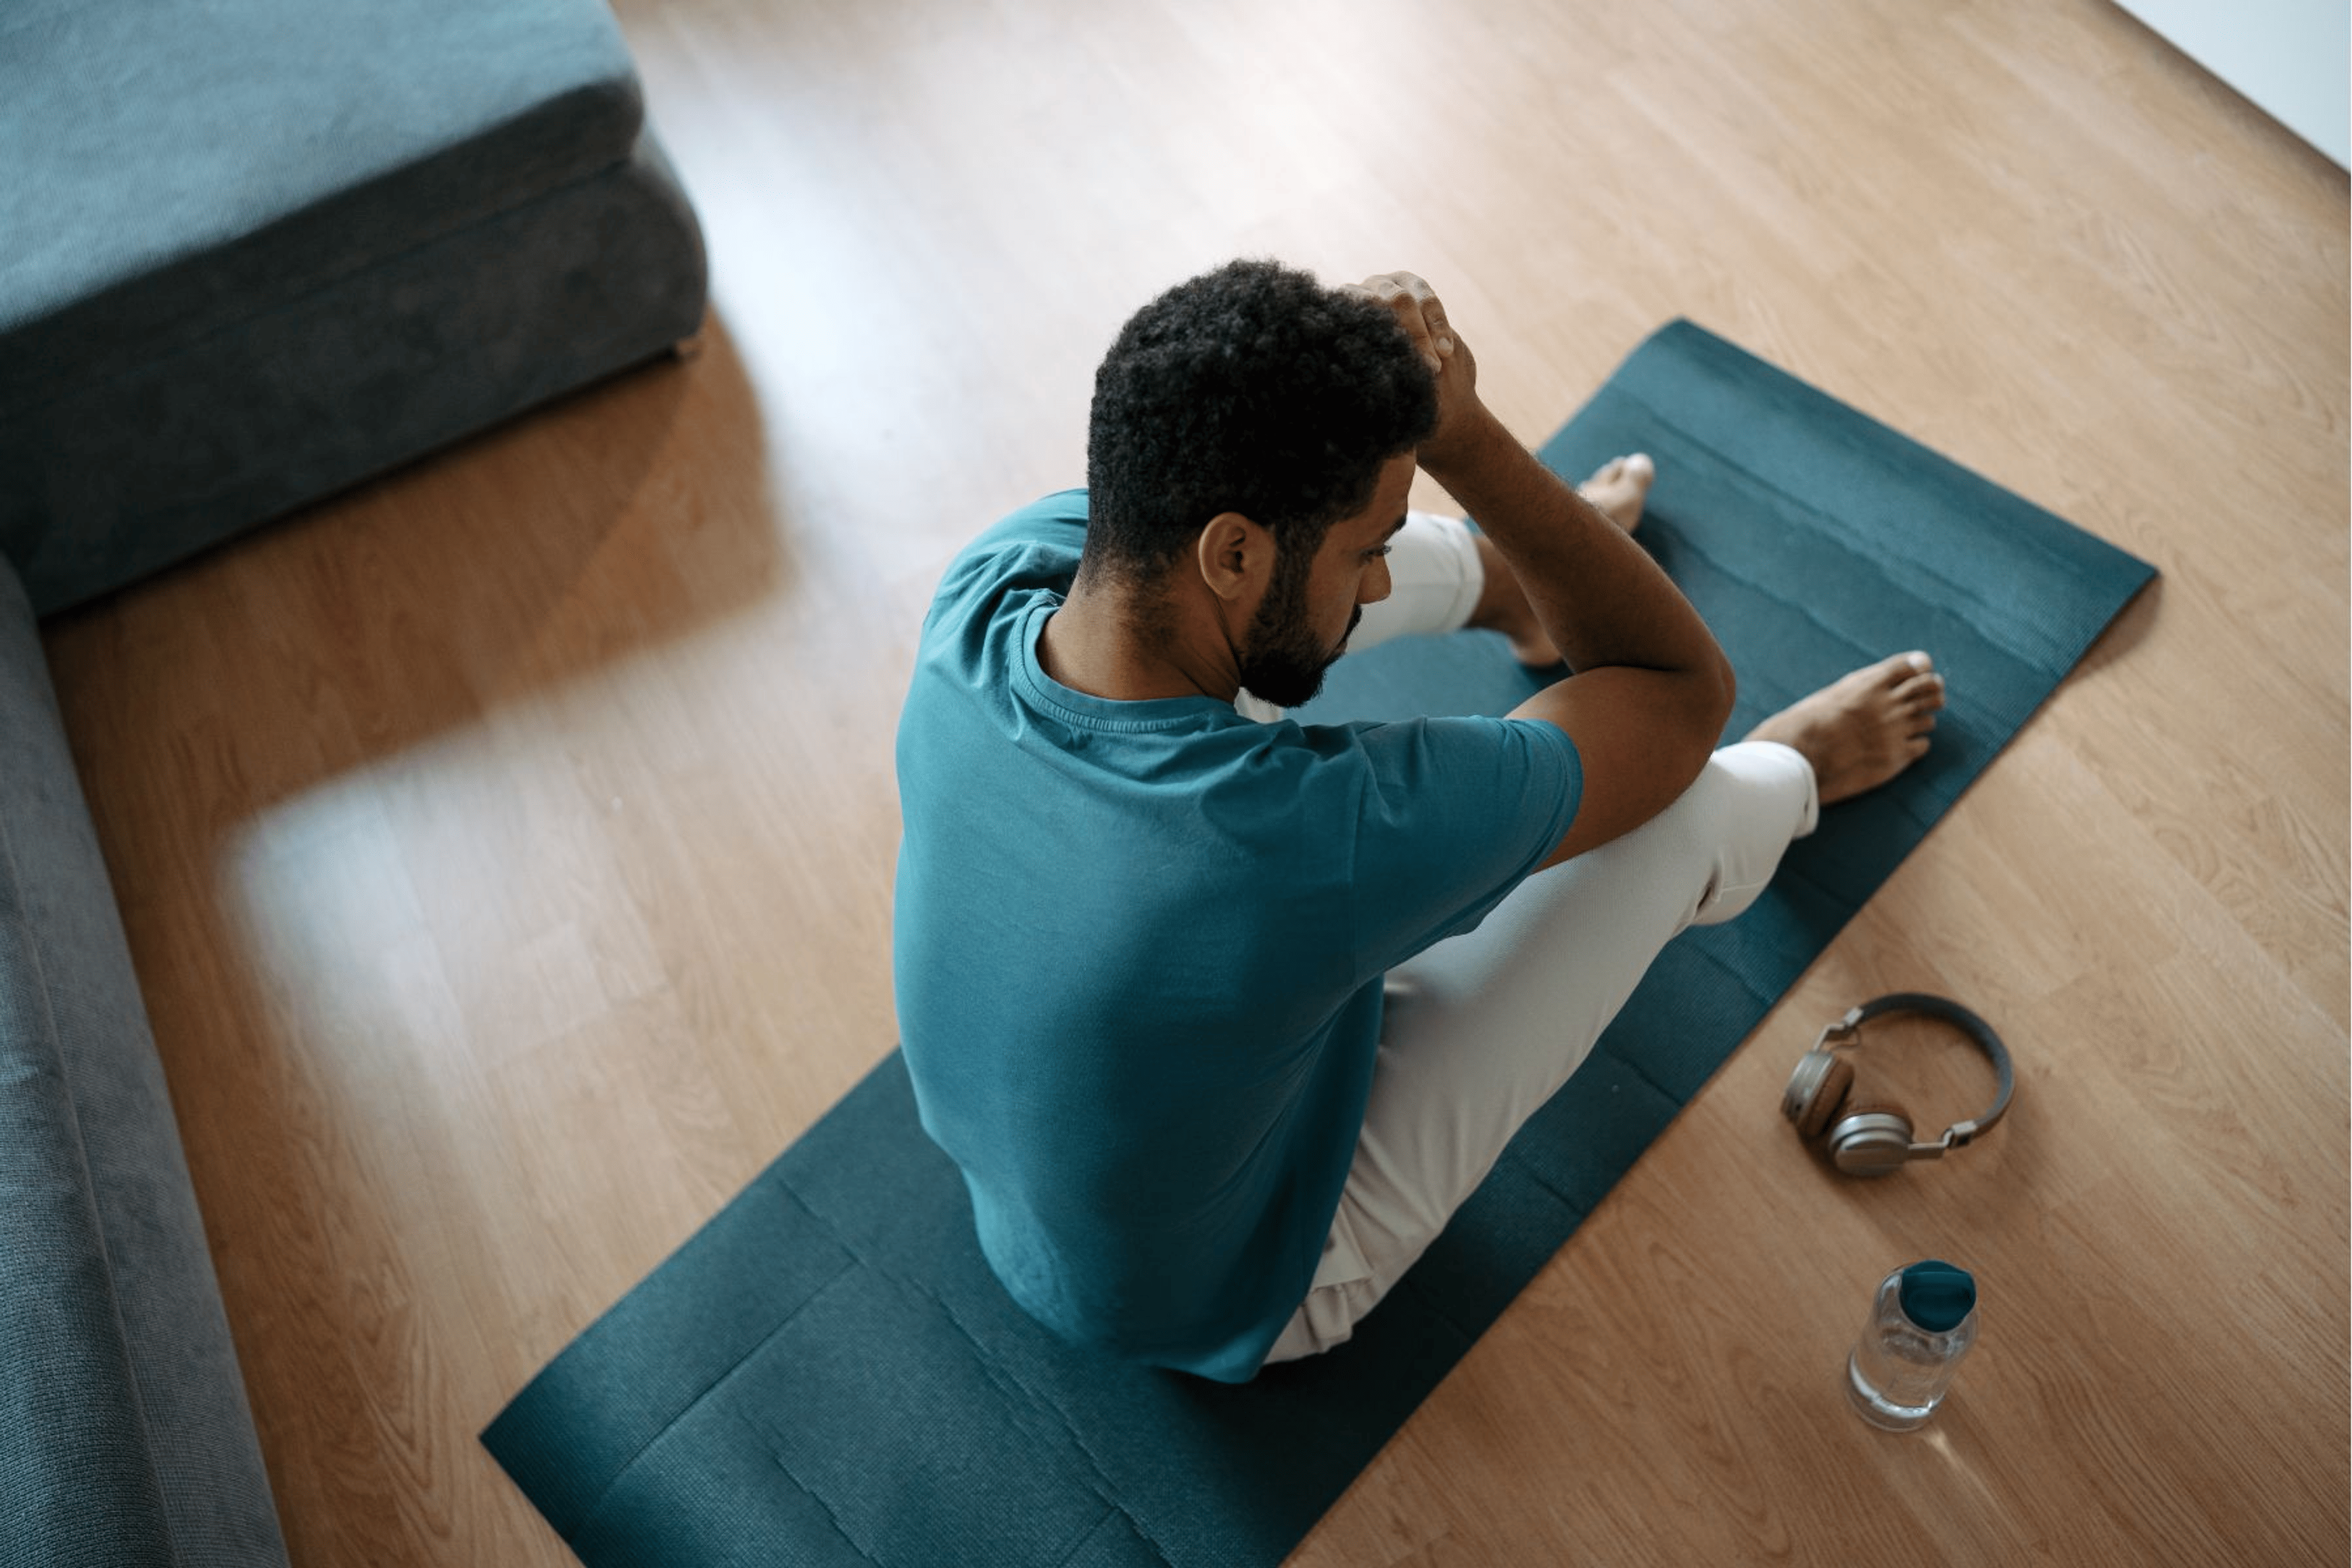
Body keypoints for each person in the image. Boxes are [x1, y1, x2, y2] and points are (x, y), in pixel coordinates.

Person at [892, 260, 1945, 1382]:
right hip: (1246, 1284)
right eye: (1372, 554)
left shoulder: (993, 585)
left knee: (1304, 595)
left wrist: (1371, 470)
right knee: (1675, 803)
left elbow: (1270, 501)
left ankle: (1514, 596)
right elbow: (1677, 690)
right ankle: (1796, 776)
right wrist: (1468, 439)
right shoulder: (1287, 842)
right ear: (1233, 551)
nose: (1383, 585)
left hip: (1046, 1215)